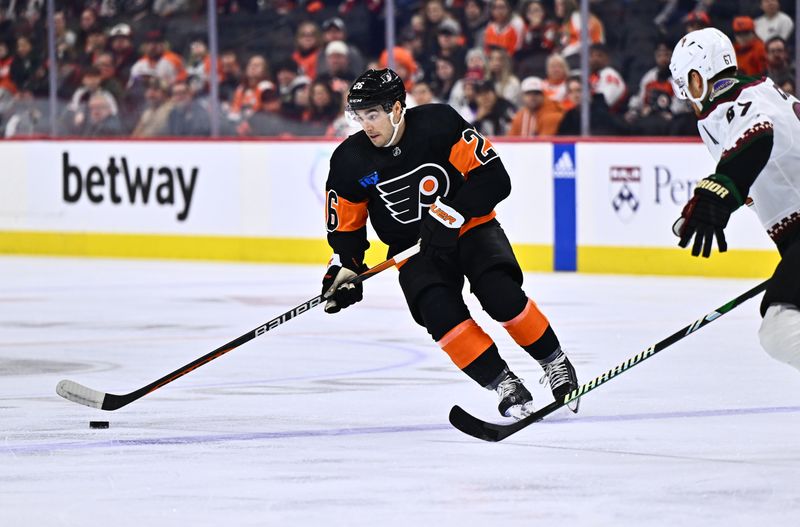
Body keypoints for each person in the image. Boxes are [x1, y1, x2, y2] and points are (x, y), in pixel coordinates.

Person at [321, 68, 580, 419]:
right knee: (438, 313)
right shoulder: (349, 160)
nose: (367, 126)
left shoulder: (439, 123)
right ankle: (504, 383)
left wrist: (451, 213)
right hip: (414, 251)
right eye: (360, 117)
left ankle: (555, 362)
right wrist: (345, 267)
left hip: (471, 229)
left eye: (373, 115)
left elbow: (494, 178)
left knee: (500, 294)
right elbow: (347, 229)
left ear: (397, 109)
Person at [669, 28, 800, 373]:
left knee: (780, 327)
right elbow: (760, 160)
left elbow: (758, 137)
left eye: (688, 86)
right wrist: (723, 191)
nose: (688, 99)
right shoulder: (757, 92)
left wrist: (720, 191)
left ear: (698, 78)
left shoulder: (738, 103)